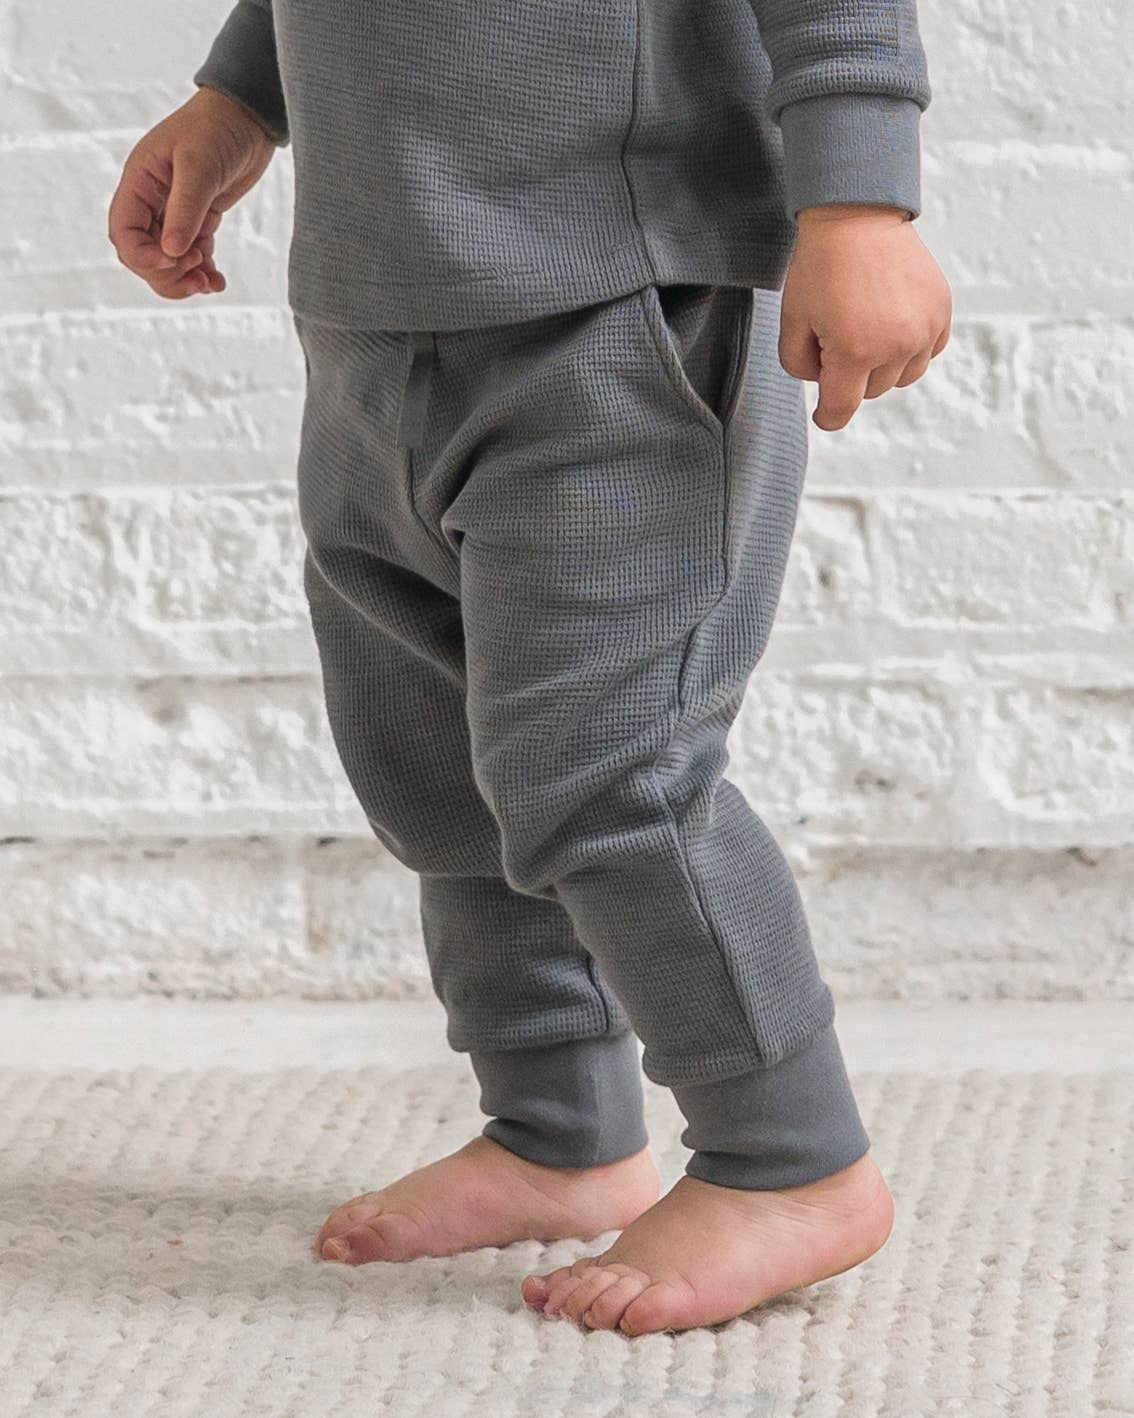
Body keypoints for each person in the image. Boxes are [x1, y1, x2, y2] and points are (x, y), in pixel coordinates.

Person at [108, 0, 951, 1336]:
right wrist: (238, 97)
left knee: (610, 773)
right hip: (378, 310)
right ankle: (557, 1127)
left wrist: (857, 200)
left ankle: (789, 1153)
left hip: (624, 302)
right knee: (431, 762)